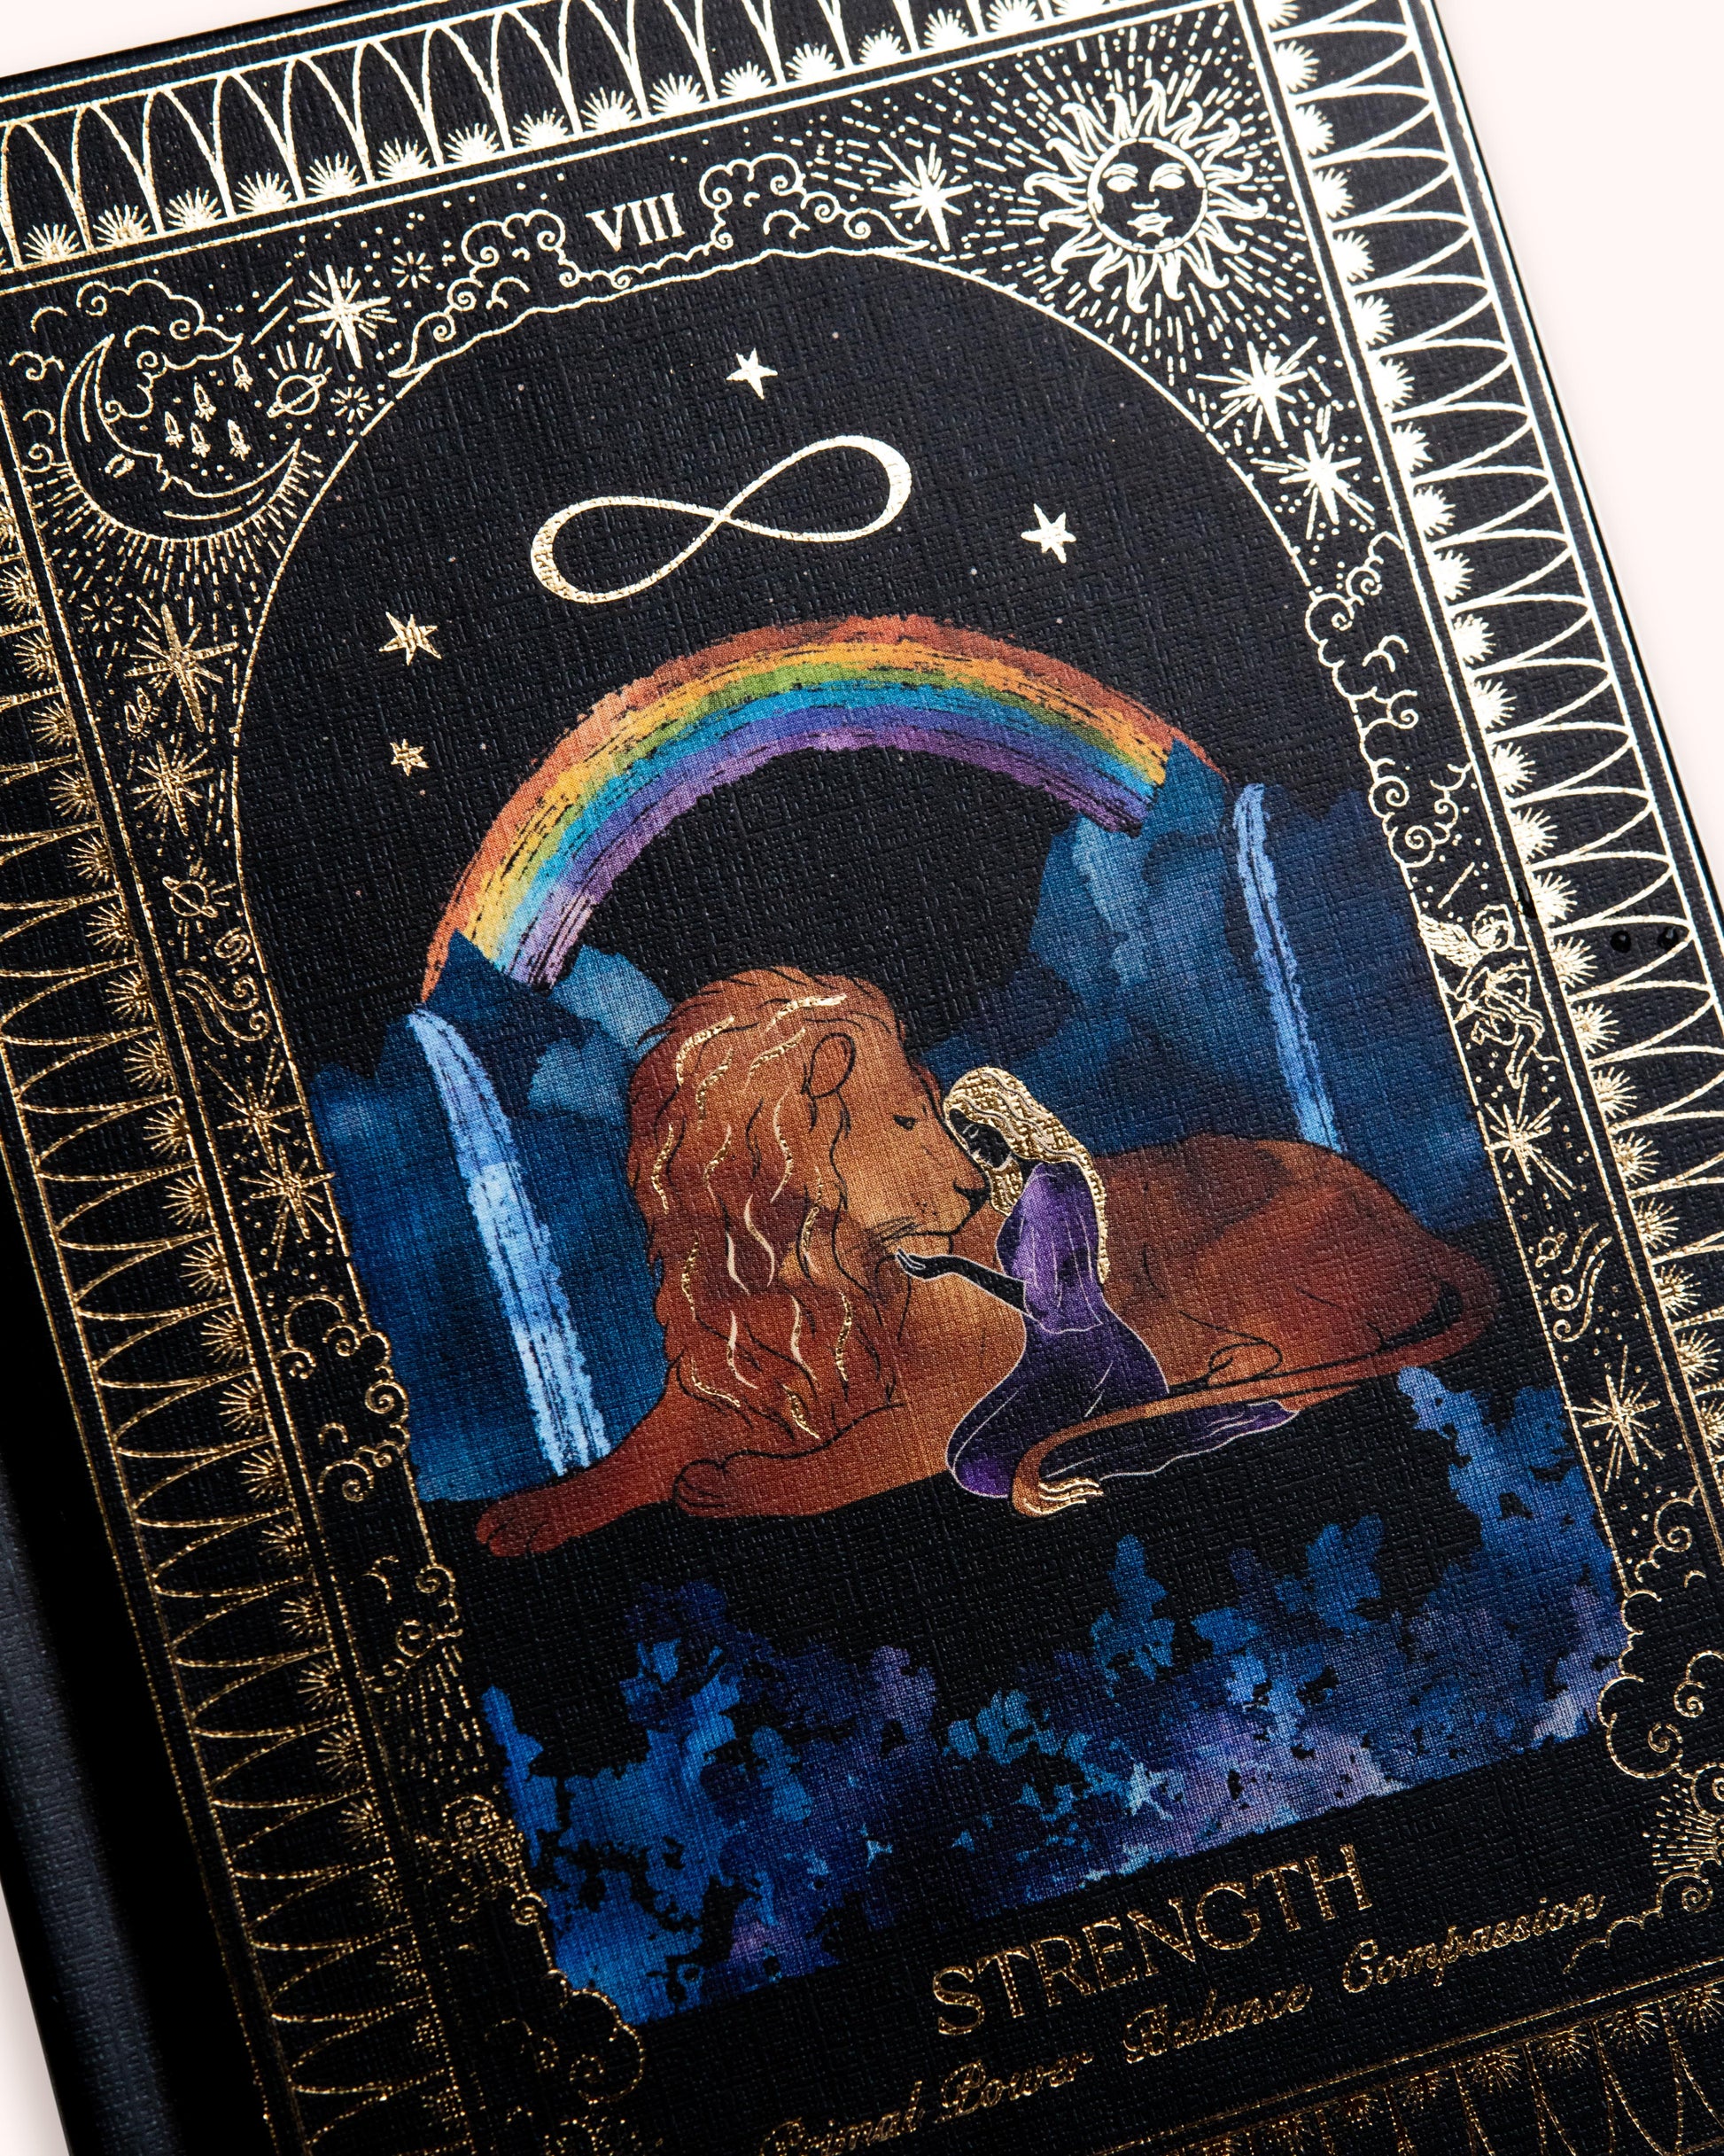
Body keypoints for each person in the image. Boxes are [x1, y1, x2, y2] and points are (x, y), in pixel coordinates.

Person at [897, 1068, 1294, 1515]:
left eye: (976, 1133)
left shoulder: (1050, 1189)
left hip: (1093, 1360)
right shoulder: (1036, 1187)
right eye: (964, 1140)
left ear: (1005, 1119)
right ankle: (1170, 1422)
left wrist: (958, 1267)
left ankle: (1197, 1419)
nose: (974, 1150)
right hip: (1053, 1357)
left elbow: (1052, 1308)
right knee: (963, 1460)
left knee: (982, 1468)